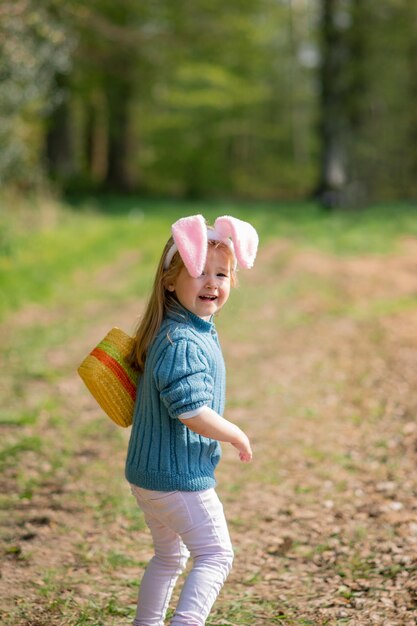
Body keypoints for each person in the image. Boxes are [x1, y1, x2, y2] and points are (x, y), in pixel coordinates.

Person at [125, 214, 259, 626]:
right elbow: (191, 411)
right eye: (199, 271)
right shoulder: (181, 340)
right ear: (170, 280)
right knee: (216, 555)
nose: (212, 282)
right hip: (176, 477)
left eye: (222, 273)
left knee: (169, 557)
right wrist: (234, 432)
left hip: (148, 474)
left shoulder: (185, 328)